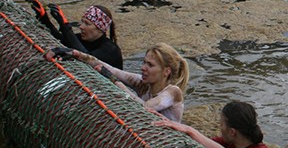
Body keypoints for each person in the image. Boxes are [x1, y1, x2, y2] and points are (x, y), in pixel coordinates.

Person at [49, 43, 189, 122]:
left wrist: (116, 83)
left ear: (166, 71)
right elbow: (112, 70)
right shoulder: (143, 84)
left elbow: (145, 108)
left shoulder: (173, 92)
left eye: (150, 65)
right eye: (144, 62)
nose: (143, 68)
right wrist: (75, 54)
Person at [26, 0, 123, 69]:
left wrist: (65, 25)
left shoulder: (111, 50)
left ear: (100, 29)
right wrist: (44, 18)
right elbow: (60, 41)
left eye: (87, 24)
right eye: (82, 22)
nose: (81, 26)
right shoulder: (83, 39)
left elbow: (86, 58)